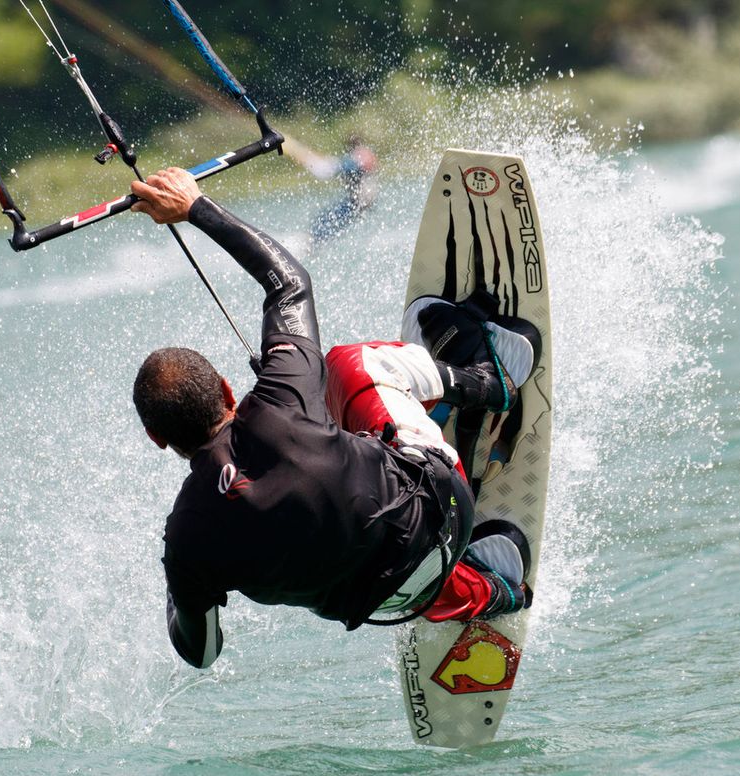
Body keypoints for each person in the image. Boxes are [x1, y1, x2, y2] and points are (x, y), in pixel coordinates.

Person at [128, 167, 541, 668]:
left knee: (339, 521)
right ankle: (490, 381)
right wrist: (196, 207)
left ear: (156, 439)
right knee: (348, 366)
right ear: (225, 389)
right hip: (445, 510)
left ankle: (492, 590)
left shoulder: (188, 533)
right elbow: (289, 284)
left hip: (394, 602)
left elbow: (202, 651)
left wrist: (179, 575)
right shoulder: (280, 396)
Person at [307, 135, 379, 244]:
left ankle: (316, 242)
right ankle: (321, 240)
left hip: (358, 201)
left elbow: (344, 167)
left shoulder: (357, 157)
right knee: (335, 221)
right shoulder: (366, 154)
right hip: (367, 200)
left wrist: (329, 165)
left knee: (324, 220)